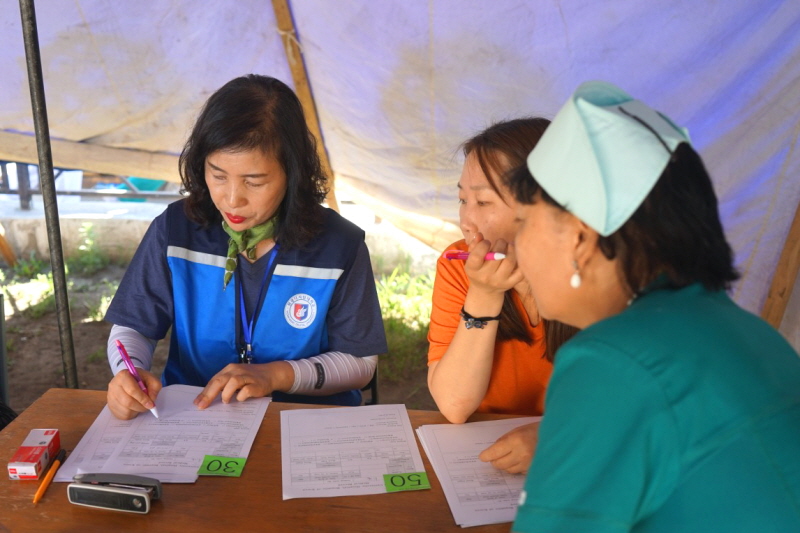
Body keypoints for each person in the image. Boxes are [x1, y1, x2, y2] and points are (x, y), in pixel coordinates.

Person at [508, 81, 800, 532]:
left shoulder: (611, 361)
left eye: (523, 223)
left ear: (581, 238)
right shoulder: (747, 330)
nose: (515, 245)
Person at [105, 74, 387, 420]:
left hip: (307, 421)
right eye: (218, 175)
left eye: (255, 181)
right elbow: (133, 327)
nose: (232, 199)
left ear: (292, 173)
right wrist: (128, 372)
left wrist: (276, 375)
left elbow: (360, 362)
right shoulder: (176, 230)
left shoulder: (338, 245)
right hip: (195, 414)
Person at [427, 118, 577, 474]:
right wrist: (483, 295)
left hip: (581, 453)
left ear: (544, 204)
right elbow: (453, 405)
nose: (466, 220)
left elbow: (639, 399)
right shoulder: (455, 264)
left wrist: (555, 436)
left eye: (482, 201)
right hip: (488, 453)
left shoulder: (595, 270)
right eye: (462, 198)